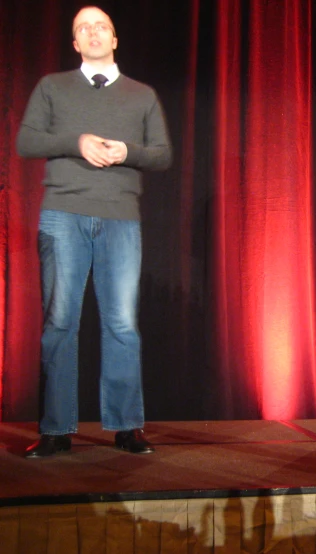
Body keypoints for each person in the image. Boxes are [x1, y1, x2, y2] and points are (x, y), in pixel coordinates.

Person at [16, 6, 172, 458]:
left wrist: (128, 151)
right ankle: (55, 430)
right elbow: (27, 141)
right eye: (82, 28)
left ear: (115, 38)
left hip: (121, 218)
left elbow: (161, 155)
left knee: (122, 324)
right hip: (63, 215)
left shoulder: (141, 95)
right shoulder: (52, 87)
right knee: (60, 321)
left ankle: (126, 426)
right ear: (75, 43)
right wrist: (76, 141)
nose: (92, 32)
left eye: (100, 25)